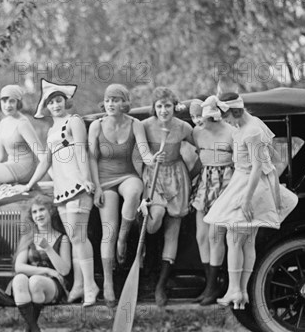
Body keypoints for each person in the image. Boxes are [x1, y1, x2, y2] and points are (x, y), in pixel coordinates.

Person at [204, 92, 298, 309]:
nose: (224, 122)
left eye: (225, 117)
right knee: (245, 240)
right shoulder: (245, 126)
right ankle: (241, 292)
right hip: (243, 180)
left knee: (235, 236)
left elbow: (257, 167)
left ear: (234, 112)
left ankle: (235, 289)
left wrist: (246, 199)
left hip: (250, 185)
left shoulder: (252, 130)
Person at [18, 80, 99, 307]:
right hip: (62, 190)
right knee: (74, 238)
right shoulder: (52, 130)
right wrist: (30, 183)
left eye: (58, 100)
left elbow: (82, 150)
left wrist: (85, 179)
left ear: (66, 101)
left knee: (78, 237)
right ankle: (80, 285)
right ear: (46, 106)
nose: (55, 105)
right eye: (51, 102)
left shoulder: (74, 121)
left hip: (78, 185)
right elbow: (46, 160)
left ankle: (91, 285)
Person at [88, 84, 157, 307]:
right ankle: (108, 283)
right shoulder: (97, 126)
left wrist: (152, 159)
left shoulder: (135, 124)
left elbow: (144, 151)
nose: (110, 104)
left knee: (136, 189)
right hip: (104, 181)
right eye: (108, 100)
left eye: (116, 100)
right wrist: (97, 187)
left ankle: (123, 239)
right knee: (108, 231)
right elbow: (91, 158)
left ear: (124, 103)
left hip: (127, 175)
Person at [141, 87, 196, 307]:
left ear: (174, 106)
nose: (164, 110)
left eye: (168, 106)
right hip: (153, 176)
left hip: (176, 177)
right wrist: (149, 161)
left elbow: (204, 147)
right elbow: (137, 152)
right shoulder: (145, 126)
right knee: (154, 220)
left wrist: (192, 174)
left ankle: (161, 284)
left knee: (172, 232)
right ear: (154, 108)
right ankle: (147, 267)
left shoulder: (183, 127)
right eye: (159, 106)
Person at [190, 96, 235, 305]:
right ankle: (210, 283)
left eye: (201, 116)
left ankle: (214, 286)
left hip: (225, 182)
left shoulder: (231, 132)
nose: (197, 120)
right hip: (205, 182)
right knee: (201, 236)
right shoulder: (196, 132)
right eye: (194, 116)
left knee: (215, 235)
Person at [11, 194, 71, 332]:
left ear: (50, 211)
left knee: (35, 281)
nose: (38, 215)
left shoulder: (62, 238)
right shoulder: (29, 238)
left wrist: (48, 248)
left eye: (42, 210)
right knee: (19, 280)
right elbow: (19, 266)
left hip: (53, 286)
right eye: (35, 212)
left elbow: (64, 270)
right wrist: (46, 270)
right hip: (30, 284)